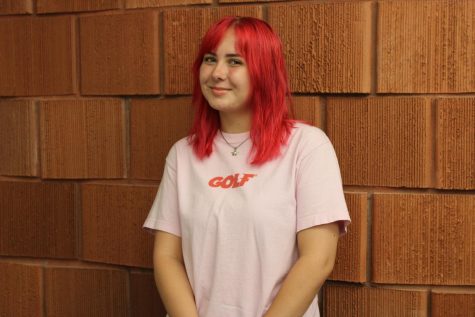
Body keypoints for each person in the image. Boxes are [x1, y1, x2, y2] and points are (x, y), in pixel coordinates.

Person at [143, 16, 351, 317]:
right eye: (210, 59)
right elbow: (166, 257)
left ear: (263, 71)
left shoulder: (306, 146)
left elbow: (318, 259)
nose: (217, 73)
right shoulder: (182, 155)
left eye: (234, 61)